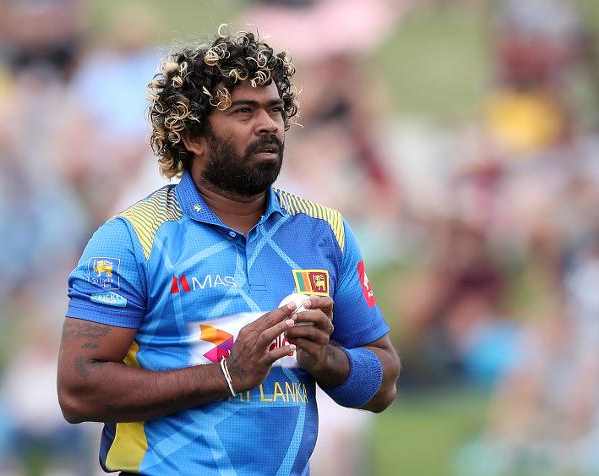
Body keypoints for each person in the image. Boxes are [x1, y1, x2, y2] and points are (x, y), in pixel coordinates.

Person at [56, 28, 400, 476]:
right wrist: (226, 375)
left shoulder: (325, 232)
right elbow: (77, 391)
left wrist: (328, 361)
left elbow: (384, 383)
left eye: (275, 109)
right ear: (192, 136)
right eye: (244, 111)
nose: (268, 124)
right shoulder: (132, 238)